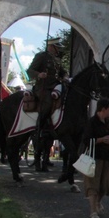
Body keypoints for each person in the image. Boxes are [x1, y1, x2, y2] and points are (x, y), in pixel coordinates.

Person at [27, 37, 66, 171]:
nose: (58, 50)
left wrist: (66, 76)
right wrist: (39, 74)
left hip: (55, 87)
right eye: (57, 47)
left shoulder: (57, 59)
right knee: (48, 102)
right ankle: (42, 124)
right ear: (51, 46)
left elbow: (61, 73)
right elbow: (30, 71)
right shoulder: (41, 56)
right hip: (43, 88)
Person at [81, 98, 109, 218]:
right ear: (102, 109)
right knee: (93, 185)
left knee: (106, 185)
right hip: (94, 157)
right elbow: (86, 140)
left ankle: (98, 202)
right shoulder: (92, 122)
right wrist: (101, 140)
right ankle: (93, 210)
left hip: (108, 157)